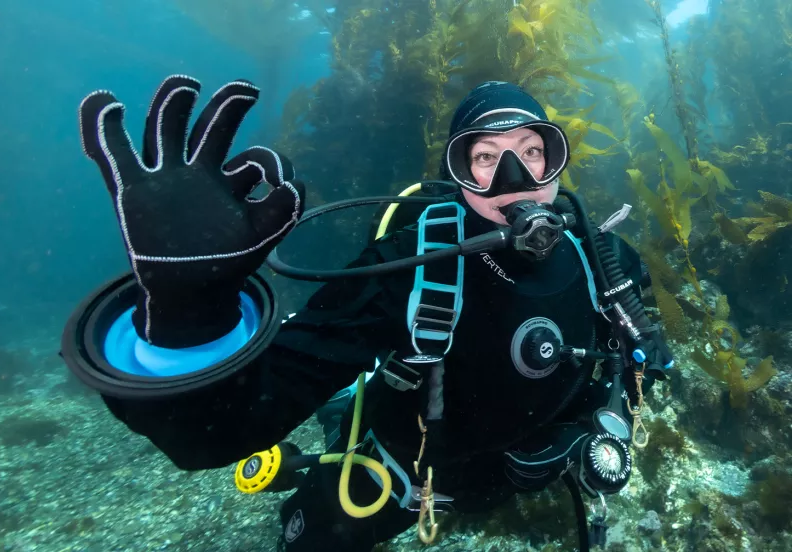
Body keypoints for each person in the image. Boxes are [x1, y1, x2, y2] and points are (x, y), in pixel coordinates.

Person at [63, 75, 672, 552]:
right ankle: (337, 424)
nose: (516, 178)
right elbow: (214, 435)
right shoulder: (413, 265)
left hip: (532, 465)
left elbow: (635, 351)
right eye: (485, 159)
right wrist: (188, 312)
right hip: (401, 473)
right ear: (458, 179)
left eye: (533, 151)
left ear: (556, 160)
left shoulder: (606, 258)